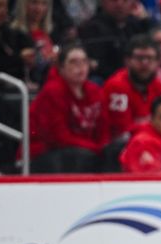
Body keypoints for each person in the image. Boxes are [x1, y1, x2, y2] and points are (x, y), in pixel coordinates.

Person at [28, 42, 110, 173]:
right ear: (61, 68)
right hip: (45, 153)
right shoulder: (52, 92)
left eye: (84, 61)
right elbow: (59, 137)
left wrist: (103, 148)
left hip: (85, 150)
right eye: (73, 62)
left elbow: (103, 129)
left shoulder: (96, 91)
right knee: (83, 157)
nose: (80, 67)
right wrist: (96, 148)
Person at [102, 33, 161, 141]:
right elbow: (122, 131)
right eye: (139, 58)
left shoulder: (159, 87)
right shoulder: (116, 86)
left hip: (150, 140)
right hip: (120, 146)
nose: (145, 63)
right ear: (127, 61)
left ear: (157, 62)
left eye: (150, 58)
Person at [77, 0, 154, 82]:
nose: (119, 4)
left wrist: (145, 23)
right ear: (103, 3)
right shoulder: (93, 28)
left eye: (124, 1)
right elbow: (99, 65)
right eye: (114, 0)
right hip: (108, 79)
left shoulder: (135, 24)